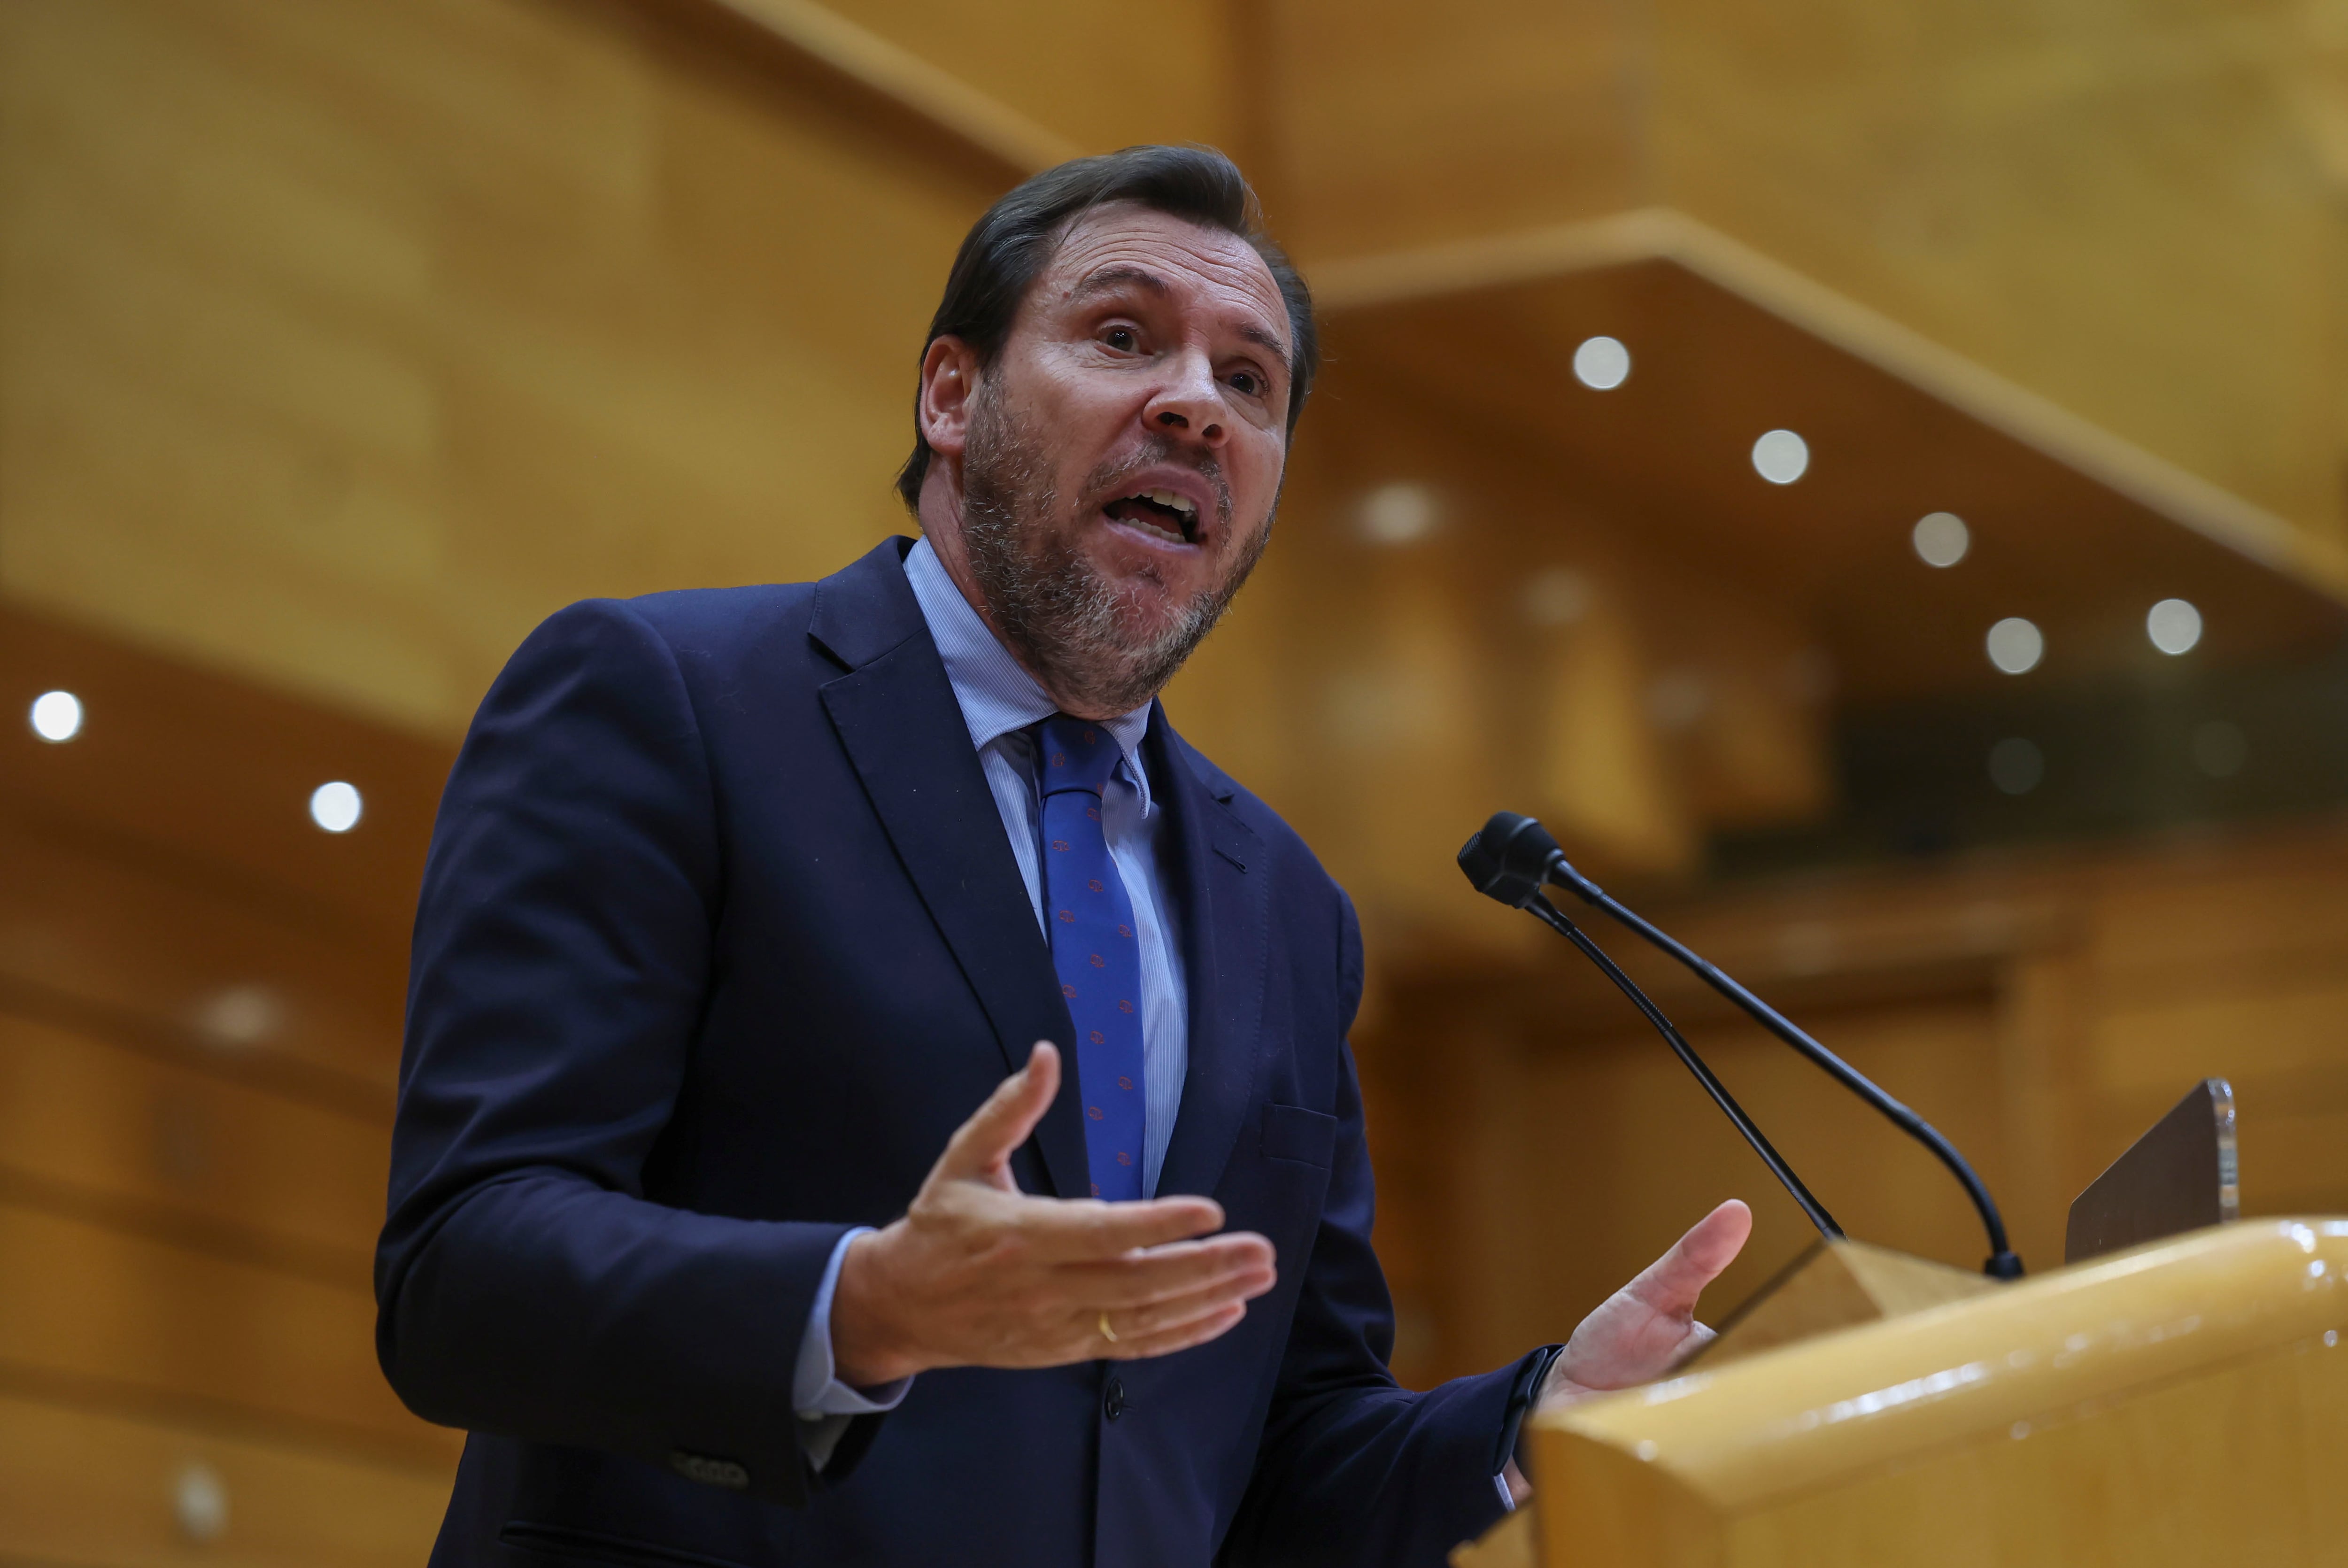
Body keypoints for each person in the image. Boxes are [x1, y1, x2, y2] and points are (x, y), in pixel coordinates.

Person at [376, 143, 1751, 1568]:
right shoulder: (668, 700)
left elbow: (1275, 1446)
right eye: (1122, 335)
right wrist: (865, 1303)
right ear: (951, 395)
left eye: (1250, 381)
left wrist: (1533, 1427)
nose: (1196, 405)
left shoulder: (1285, 907)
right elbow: (463, 1270)